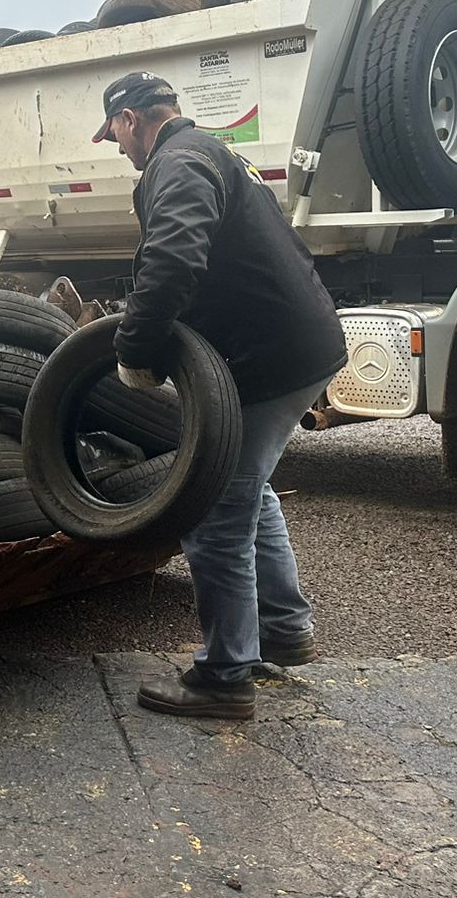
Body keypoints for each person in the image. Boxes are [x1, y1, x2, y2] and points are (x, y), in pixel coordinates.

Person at [91, 71, 347, 720]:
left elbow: (174, 256)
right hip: (302, 347)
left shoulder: (176, 161)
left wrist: (136, 350)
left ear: (129, 119)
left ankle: (224, 676)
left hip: (268, 360)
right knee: (249, 486)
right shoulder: (212, 151)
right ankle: (284, 630)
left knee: (213, 509)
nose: (119, 149)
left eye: (115, 135)